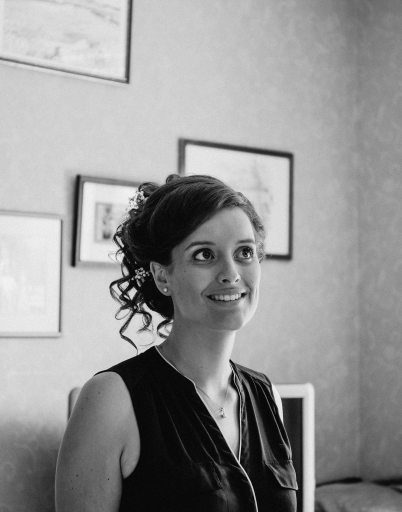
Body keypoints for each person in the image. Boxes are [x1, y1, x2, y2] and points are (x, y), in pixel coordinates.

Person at [55, 174, 297, 512]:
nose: (231, 273)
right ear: (162, 275)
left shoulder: (266, 396)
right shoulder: (111, 399)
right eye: (204, 255)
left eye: (244, 252)